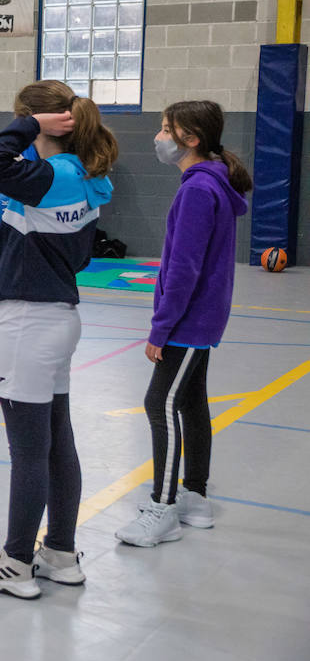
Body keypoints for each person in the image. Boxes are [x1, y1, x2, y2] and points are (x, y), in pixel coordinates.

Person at [0, 79, 117, 599]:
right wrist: (4, 247)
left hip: (28, 322)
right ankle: (61, 554)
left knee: (28, 450)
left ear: (45, 123)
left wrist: (26, 126)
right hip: (55, 316)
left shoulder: (50, 175)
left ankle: (16, 562)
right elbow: (67, 247)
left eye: (26, 121)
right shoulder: (83, 177)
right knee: (55, 444)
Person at [115, 101, 250, 547]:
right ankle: (196, 496)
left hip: (188, 322)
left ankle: (164, 506)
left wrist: (161, 328)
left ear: (190, 139)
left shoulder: (197, 190)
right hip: (200, 319)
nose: (160, 136)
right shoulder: (209, 182)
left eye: (166, 128)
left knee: (160, 405)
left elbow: (184, 269)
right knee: (191, 404)